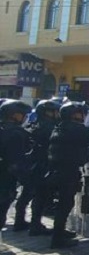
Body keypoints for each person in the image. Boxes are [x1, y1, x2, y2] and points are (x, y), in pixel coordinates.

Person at [47, 102, 89, 248]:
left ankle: (60, 231)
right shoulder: (74, 128)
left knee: (64, 204)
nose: (82, 116)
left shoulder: (61, 126)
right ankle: (58, 239)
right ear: (72, 115)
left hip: (60, 170)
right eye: (79, 113)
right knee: (65, 204)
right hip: (67, 171)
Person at [23, 99, 61, 235]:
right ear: (47, 113)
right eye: (54, 111)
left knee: (36, 196)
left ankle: (31, 222)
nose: (57, 114)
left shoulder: (36, 125)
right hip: (43, 165)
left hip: (37, 166)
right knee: (41, 196)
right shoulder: (48, 128)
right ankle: (35, 225)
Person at [0, 101, 32, 234]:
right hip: (5, 180)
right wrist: (25, 179)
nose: (24, 117)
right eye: (22, 115)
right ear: (14, 116)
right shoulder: (16, 134)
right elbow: (15, 162)